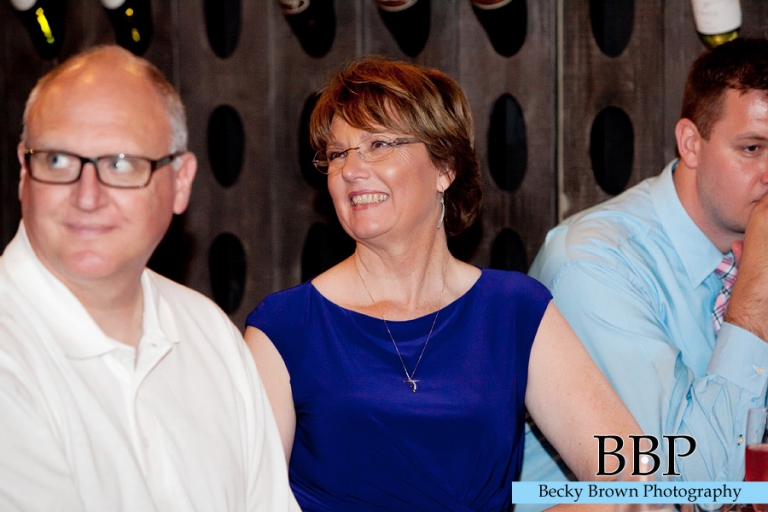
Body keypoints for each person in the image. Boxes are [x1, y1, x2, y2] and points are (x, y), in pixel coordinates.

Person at [245, 56, 643, 511]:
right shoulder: (283, 327)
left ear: (445, 168)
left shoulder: (514, 309)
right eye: (338, 153)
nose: (351, 169)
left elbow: (637, 477)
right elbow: (247, 502)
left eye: (378, 144)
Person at [0, 46, 299, 511]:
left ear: (181, 182)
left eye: (121, 164)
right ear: (24, 172)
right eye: (58, 160)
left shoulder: (208, 330)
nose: (87, 197)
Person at [520, 37, 768, 494]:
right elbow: (685, 486)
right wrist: (756, 291)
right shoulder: (592, 263)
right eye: (753, 148)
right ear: (691, 144)